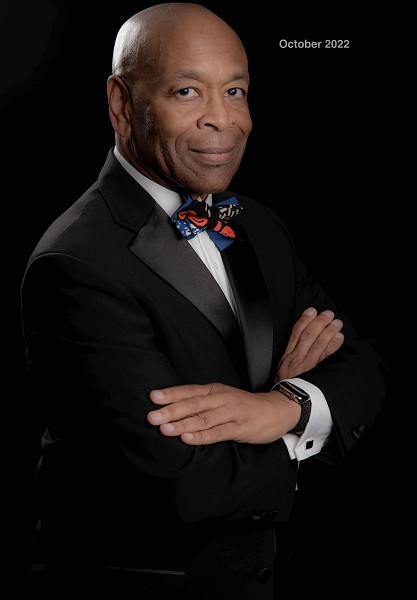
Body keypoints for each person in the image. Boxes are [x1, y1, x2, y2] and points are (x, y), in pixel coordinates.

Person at [20, 3, 389, 598]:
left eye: (235, 91)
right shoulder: (76, 263)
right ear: (121, 104)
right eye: (187, 91)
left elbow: (363, 364)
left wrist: (285, 406)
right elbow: (182, 483)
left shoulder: (258, 226)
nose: (224, 119)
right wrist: (299, 425)